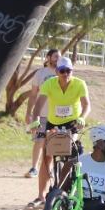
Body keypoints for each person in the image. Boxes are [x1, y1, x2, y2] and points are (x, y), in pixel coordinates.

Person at [35, 56, 90, 201]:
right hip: (53, 123)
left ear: (72, 71)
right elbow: (39, 104)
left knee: (71, 150)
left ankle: (65, 186)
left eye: (68, 71)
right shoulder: (49, 83)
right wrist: (35, 120)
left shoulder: (80, 84)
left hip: (73, 122)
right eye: (62, 71)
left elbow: (86, 105)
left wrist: (82, 117)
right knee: (47, 156)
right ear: (57, 72)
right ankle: (41, 196)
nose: (65, 74)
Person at [23, 48, 61, 179]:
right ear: (48, 58)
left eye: (59, 57)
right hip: (41, 114)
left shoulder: (62, 73)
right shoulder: (40, 73)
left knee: (53, 144)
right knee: (39, 141)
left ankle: (49, 170)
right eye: (55, 56)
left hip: (57, 116)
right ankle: (34, 168)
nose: (58, 59)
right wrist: (29, 113)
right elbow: (33, 95)